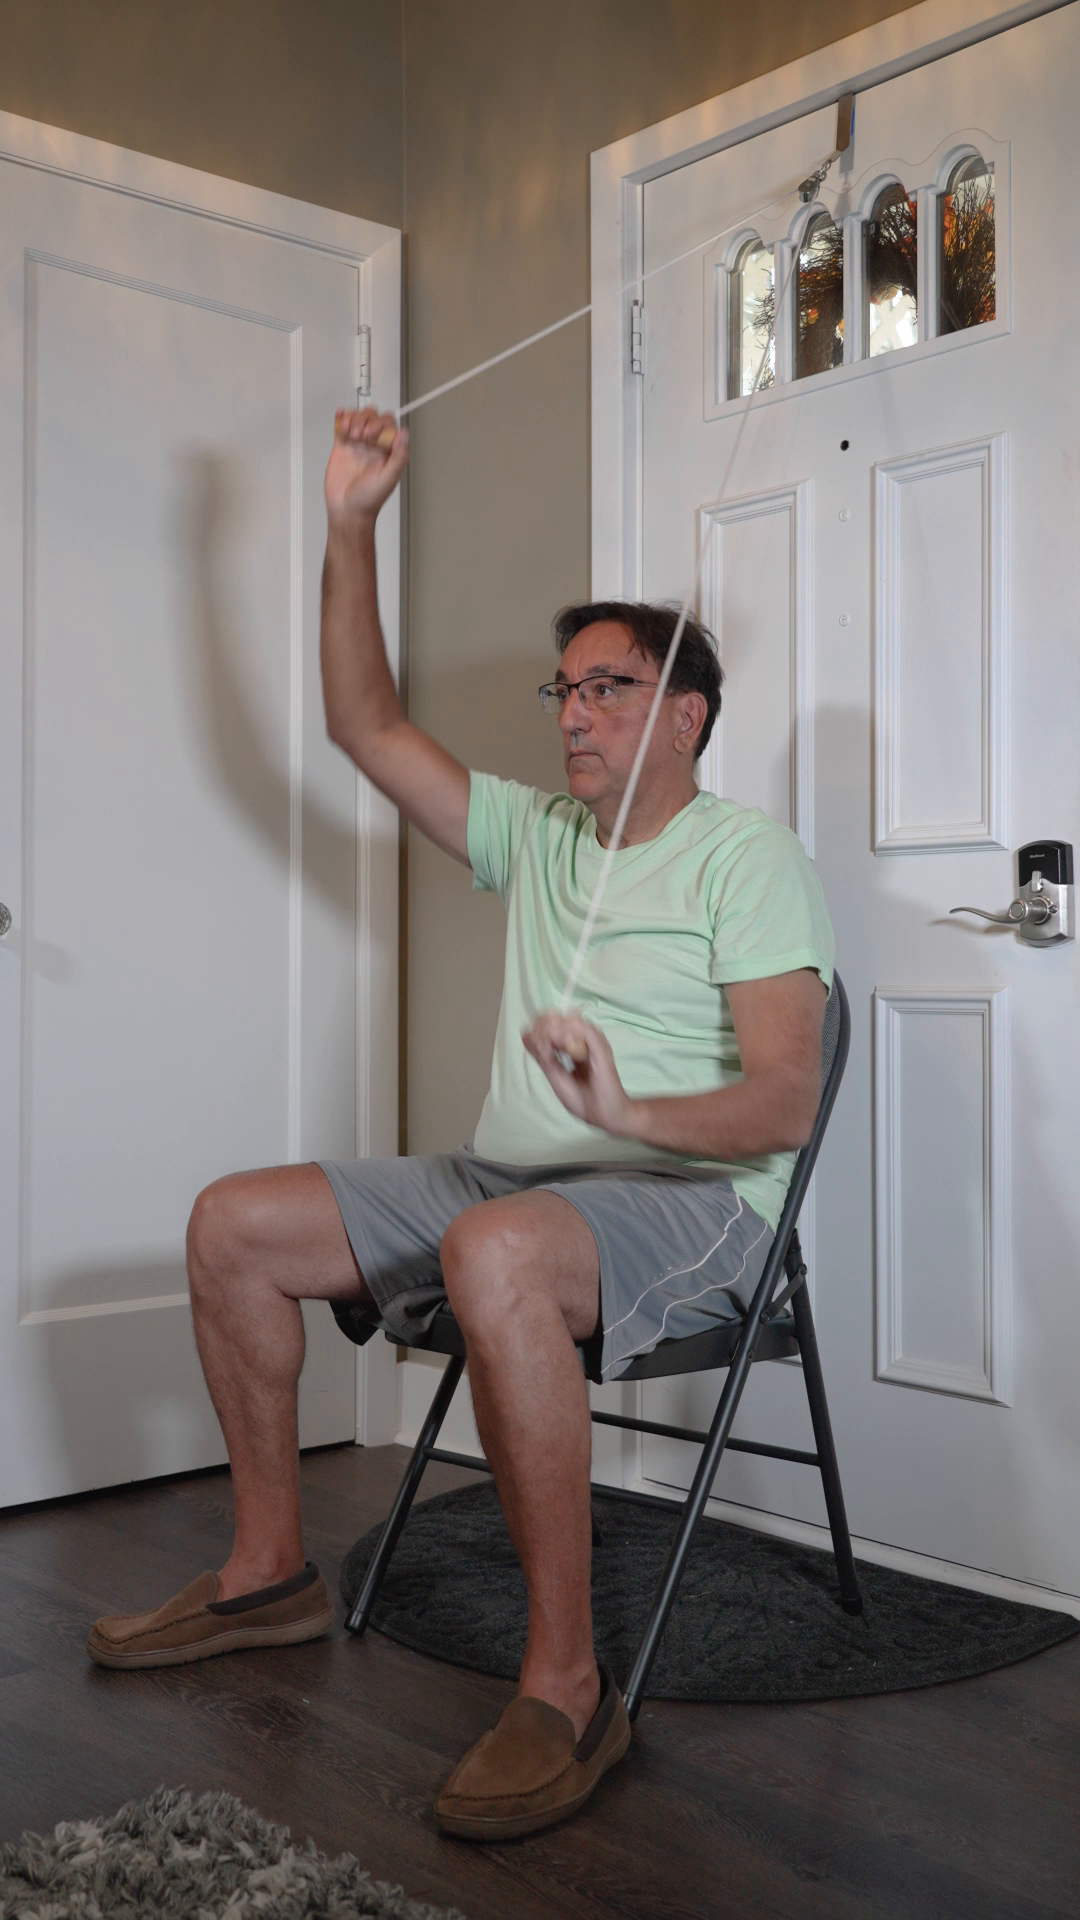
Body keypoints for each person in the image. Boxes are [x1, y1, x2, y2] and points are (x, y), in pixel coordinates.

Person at [88, 409, 833, 1842]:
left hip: (693, 1202)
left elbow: (786, 1099)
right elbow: (362, 726)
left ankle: (568, 1687)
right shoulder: (537, 834)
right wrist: (350, 525)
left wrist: (627, 1108)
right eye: (565, 690)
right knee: (233, 1225)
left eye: (607, 689)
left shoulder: (749, 860)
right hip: (506, 1182)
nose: (571, 714)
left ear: (685, 715)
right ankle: (267, 1573)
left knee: (495, 1249)